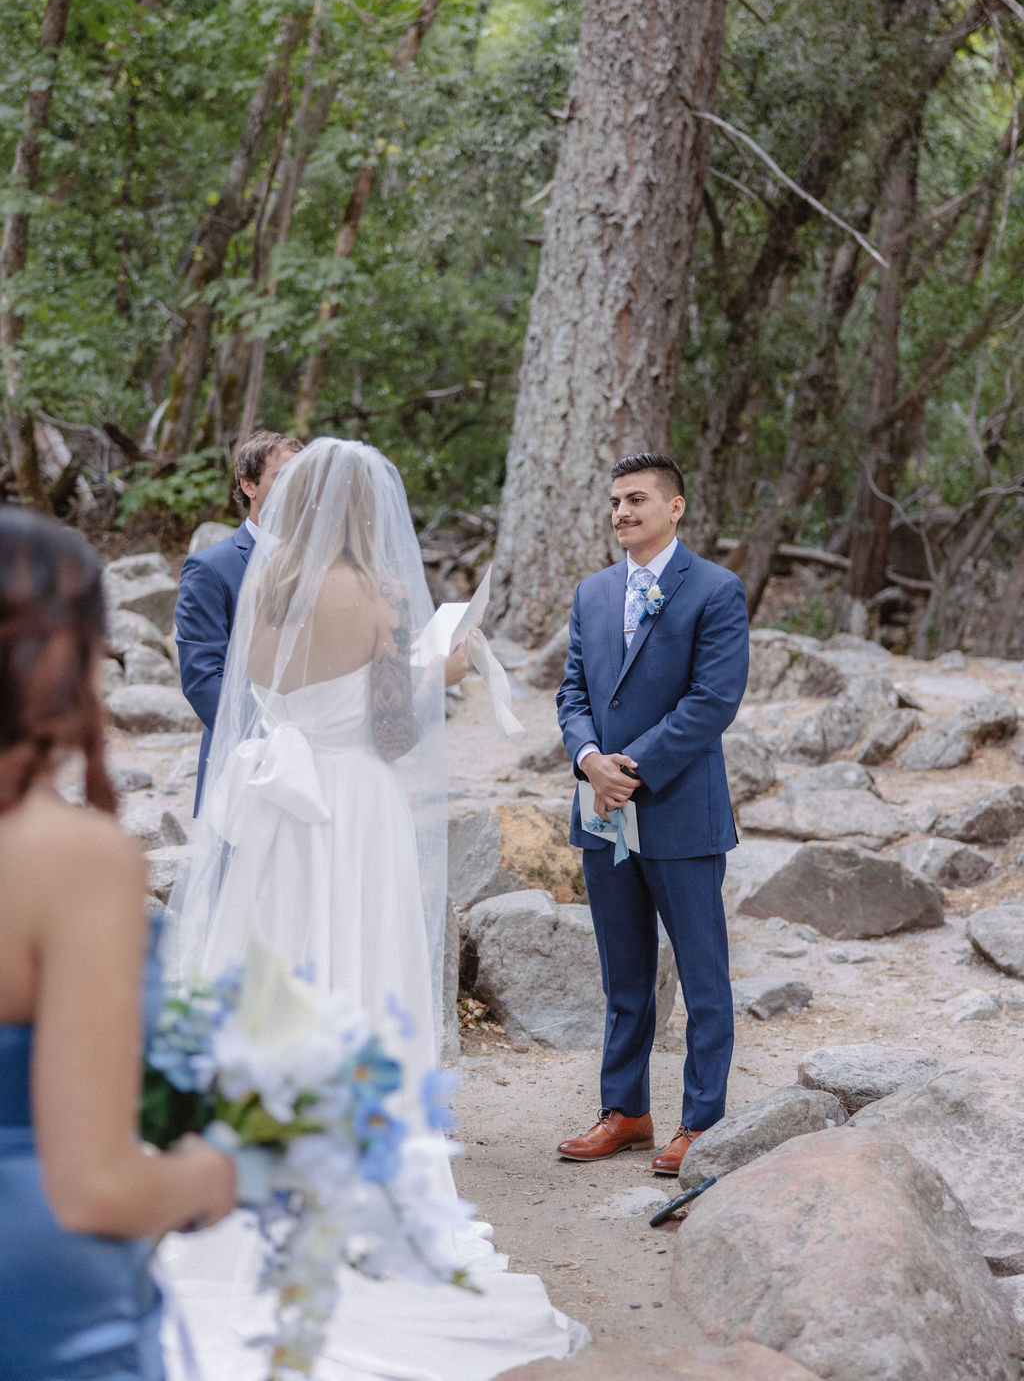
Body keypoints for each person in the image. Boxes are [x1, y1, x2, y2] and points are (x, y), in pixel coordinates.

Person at [162, 438, 586, 1378]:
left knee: (276, 990)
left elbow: (266, 702)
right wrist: (439, 664)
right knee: (356, 985)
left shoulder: (270, 587)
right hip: (346, 814)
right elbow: (393, 730)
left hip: (281, 827)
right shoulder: (369, 595)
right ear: (367, 512)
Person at [0, 509, 236, 1381]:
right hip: (35, 1300)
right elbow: (95, 1185)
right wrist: (225, 1172)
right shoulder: (68, 860)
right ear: (55, 658)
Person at [555, 451, 749, 1175]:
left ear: (675, 507)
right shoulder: (593, 593)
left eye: (636, 499)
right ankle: (627, 1111)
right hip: (601, 811)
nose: (621, 513)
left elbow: (712, 701)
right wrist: (587, 761)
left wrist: (625, 768)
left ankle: (701, 1123)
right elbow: (571, 692)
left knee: (703, 977)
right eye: (614, 502)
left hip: (677, 811)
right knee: (624, 974)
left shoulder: (716, 591)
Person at [175, 430, 302, 813]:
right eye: (283, 476)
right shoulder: (211, 568)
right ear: (249, 485)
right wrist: (270, 746)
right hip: (245, 762)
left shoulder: (327, 565)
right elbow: (202, 677)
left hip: (321, 761)